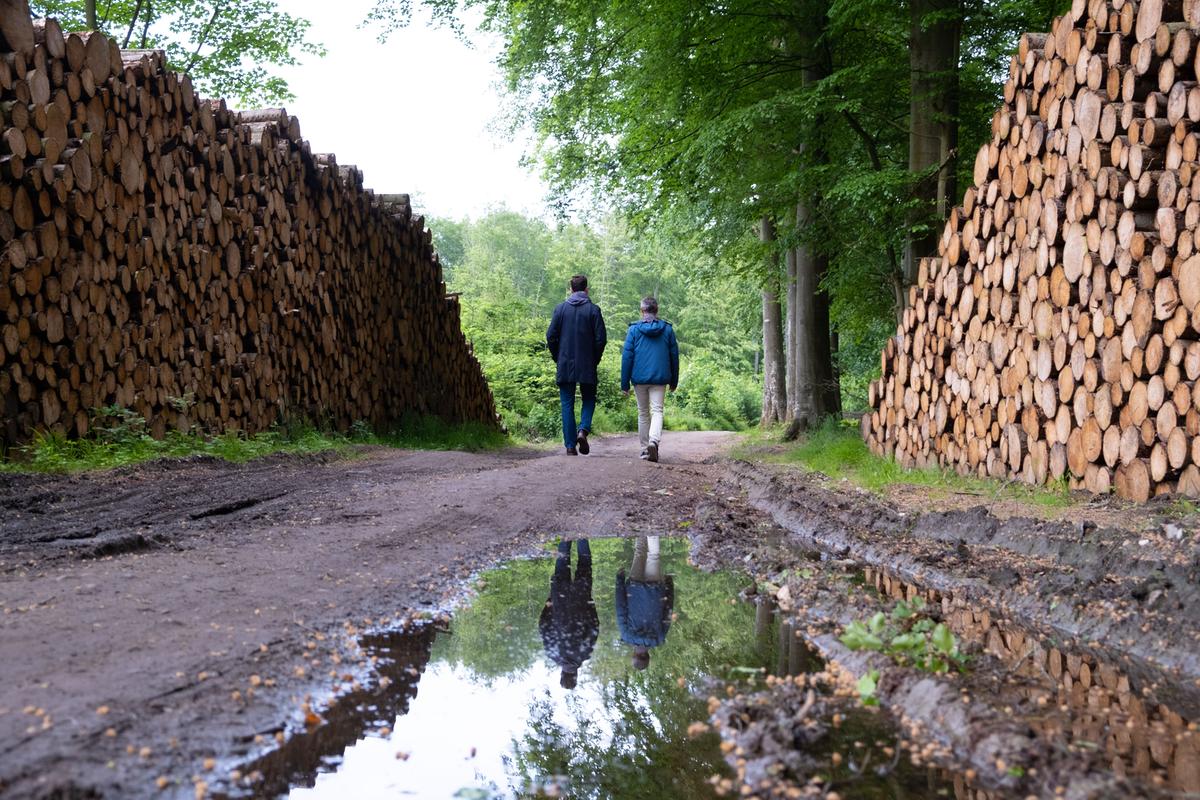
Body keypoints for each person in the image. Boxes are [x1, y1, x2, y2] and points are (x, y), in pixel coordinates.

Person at [546, 275, 607, 455]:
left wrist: (558, 356)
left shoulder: (560, 309)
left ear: (571, 289)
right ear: (586, 289)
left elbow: (550, 336)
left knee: (567, 403)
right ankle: (583, 430)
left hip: (565, 363)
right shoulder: (594, 310)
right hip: (587, 363)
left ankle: (570, 446)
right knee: (589, 398)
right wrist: (594, 358)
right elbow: (601, 339)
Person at [620, 296, 679, 462]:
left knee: (643, 413)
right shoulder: (667, 329)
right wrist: (674, 380)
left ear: (642, 311)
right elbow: (674, 357)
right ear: (657, 310)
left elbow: (627, 357)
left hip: (639, 379)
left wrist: (624, 382)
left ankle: (645, 449)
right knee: (657, 410)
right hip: (660, 378)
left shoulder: (634, 330)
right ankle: (654, 441)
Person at [539, 539, 599, 689]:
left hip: (581, 598)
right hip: (560, 599)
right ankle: (566, 534)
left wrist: (590, 604)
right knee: (562, 563)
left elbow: (594, 627)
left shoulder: (584, 654)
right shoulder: (553, 654)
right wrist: (549, 604)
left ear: (575, 676)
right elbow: (544, 627)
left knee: (584, 563)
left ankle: (582, 535)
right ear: (562, 675)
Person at [615, 535, 674, 671]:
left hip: (655, 590)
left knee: (653, 556)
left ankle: (652, 528)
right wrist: (619, 580)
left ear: (648, 656)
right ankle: (640, 525)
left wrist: (669, 586)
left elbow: (668, 610)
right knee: (639, 552)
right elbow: (620, 608)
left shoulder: (659, 637)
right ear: (634, 654)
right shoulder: (627, 635)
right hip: (634, 588)